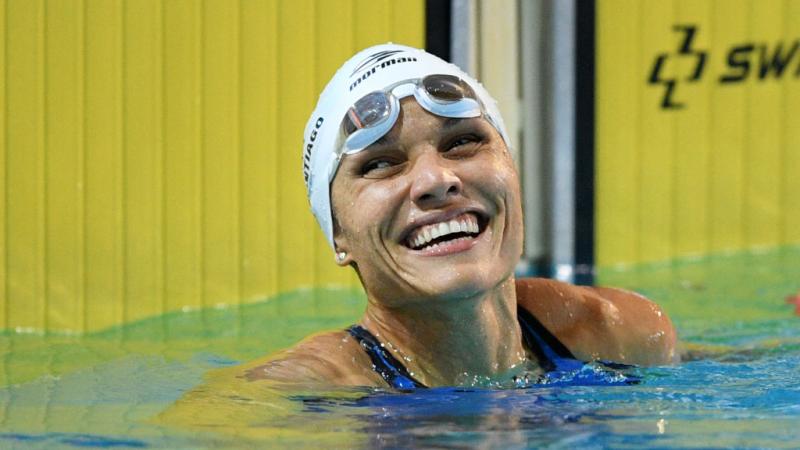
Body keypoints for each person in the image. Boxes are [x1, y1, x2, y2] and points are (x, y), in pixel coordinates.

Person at [247, 43, 677, 389]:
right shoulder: (301, 395)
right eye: (381, 164)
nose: (436, 179)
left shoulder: (618, 334)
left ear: (511, 170)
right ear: (338, 234)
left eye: (463, 142)